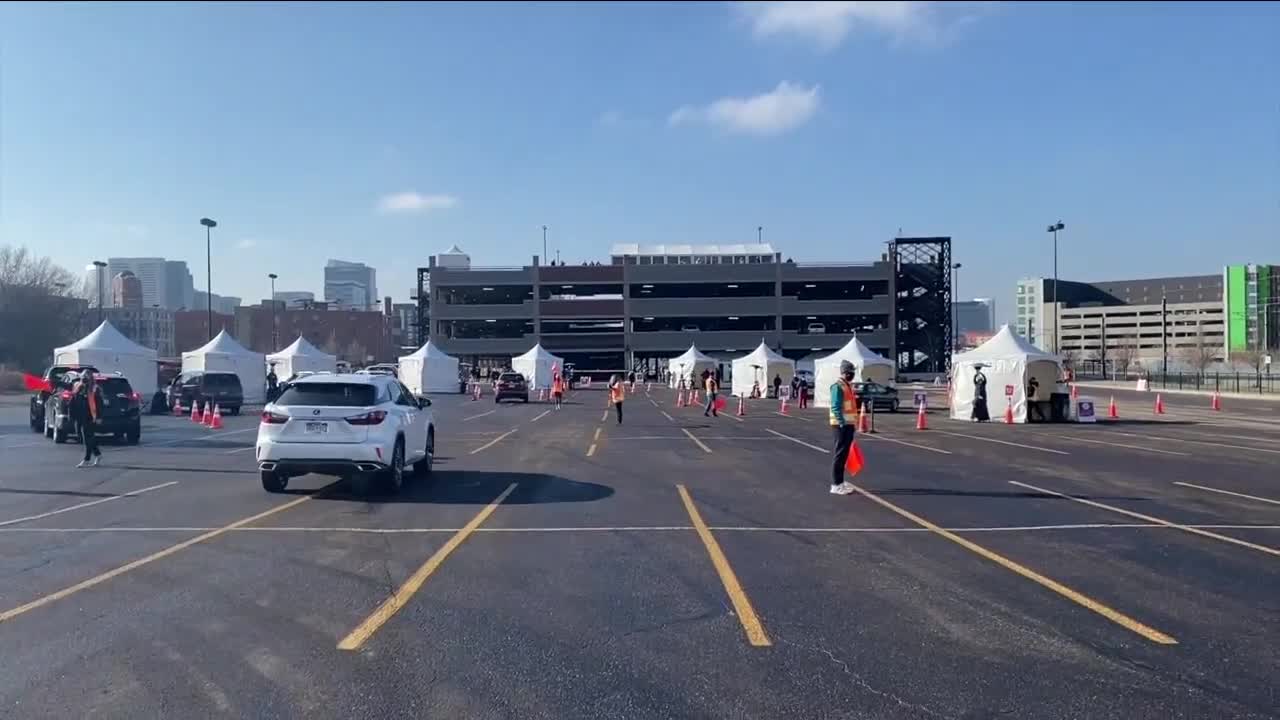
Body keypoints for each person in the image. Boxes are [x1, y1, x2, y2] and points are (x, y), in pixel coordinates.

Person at [829, 360, 860, 495]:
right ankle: (836, 484)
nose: (852, 375)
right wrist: (841, 422)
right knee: (840, 454)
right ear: (846, 373)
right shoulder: (838, 386)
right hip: (840, 425)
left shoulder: (847, 385)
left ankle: (840, 482)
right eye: (851, 373)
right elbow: (836, 406)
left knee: (844, 454)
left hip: (848, 425)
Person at [70, 373, 104, 468]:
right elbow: (73, 401)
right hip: (79, 416)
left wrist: (99, 417)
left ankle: (87, 459)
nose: (84, 380)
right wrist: (71, 414)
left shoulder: (95, 389)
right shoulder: (78, 387)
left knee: (87, 437)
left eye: (86, 378)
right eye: (83, 378)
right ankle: (97, 454)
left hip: (90, 417)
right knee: (82, 436)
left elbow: (100, 404)